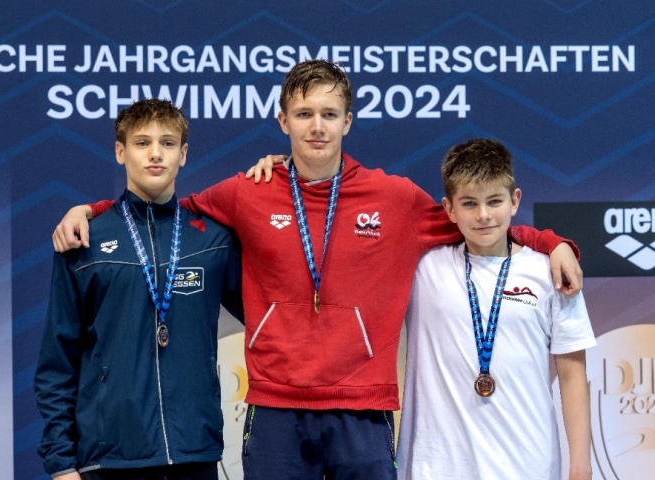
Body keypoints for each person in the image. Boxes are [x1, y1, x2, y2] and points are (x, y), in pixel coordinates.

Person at [51, 60, 582, 479]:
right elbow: (161, 205)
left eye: (330, 114)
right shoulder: (248, 190)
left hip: (363, 408)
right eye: (304, 114)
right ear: (283, 121)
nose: (317, 126)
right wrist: (91, 212)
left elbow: (475, 220)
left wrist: (549, 240)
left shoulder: (393, 197)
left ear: (348, 121)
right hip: (277, 407)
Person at [34, 98, 243, 480]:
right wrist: (61, 463)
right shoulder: (84, 240)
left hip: (194, 452)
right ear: (120, 151)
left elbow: (267, 318)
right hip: (111, 457)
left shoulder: (213, 240)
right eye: (142, 143)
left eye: (167, 143)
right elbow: (57, 361)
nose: (155, 154)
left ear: (183, 154)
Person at [396, 138, 594, 480]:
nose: (484, 214)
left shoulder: (551, 273)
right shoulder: (422, 268)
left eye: (495, 201)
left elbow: (573, 375)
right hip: (436, 467)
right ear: (449, 208)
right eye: (469, 203)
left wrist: (581, 465)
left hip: (527, 465)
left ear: (515, 201)